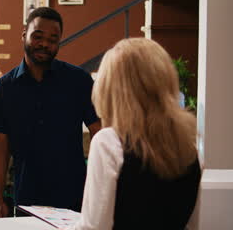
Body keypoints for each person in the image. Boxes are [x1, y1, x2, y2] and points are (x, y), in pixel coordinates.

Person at [68, 38, 201, 230]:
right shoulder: (189, 149)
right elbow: (190, 225)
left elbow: (93, 227)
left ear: (110, 88)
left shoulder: (109, 143)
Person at [0, 7, 101, 217]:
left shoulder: (79, 81)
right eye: (37, 36)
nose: (45, 44)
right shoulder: (3, 89)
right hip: (26, 196)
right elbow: (0, 146)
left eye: (52, 39)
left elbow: (99, 133)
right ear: (24, 35)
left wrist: (99, 189)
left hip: (75, 196)